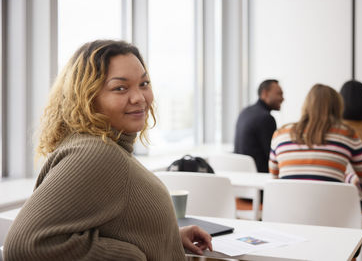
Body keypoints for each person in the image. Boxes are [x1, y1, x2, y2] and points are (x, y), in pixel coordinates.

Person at [3, 40, 212, 260]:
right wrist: (133, 256)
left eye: (144, 83)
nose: (139, 98)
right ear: (87, 98)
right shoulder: (97, 155)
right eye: (120, 88)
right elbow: (24, 245)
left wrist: (166, 236)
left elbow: (107, 227)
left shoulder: (102, 148)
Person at [269, 84, 362, 193]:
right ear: (338, 107)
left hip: (287, 209)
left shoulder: (280, 134)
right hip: (332, 209)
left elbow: (275, 180)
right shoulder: (347, 135)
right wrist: (347, 177)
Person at [234, 79, 284, 172]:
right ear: (265, 94)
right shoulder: (266, 118)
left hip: (242, 175)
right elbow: (273, 156)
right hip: (260, 177)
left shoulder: (245, 111)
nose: (282, 98)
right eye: (279, 94)